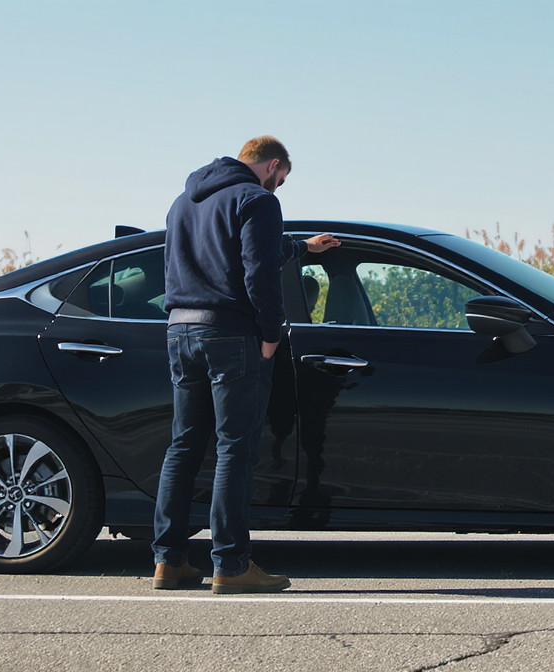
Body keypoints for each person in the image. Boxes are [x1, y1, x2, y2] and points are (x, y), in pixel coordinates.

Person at [152, 136, 338, 593]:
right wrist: (272, 334)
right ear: (273, 165)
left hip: (180, 329)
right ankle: (231, 564)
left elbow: (231, 253)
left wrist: (302, 248)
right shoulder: (257, 199)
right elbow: (257, 271)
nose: (279, 189)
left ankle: (168, 561)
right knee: (234, 447)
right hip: (231, 335)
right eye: (281, 180)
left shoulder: (183, 202)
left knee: (184, 445)